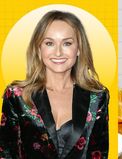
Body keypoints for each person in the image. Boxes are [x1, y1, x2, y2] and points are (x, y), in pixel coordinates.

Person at [0, 10, 109, 159]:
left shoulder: (97, 97)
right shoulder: (17, 96)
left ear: (78, 49)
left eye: (67, 43)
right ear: (39, 49)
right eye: (49, 43)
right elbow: (6, 153)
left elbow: (99, 154)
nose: (58, 52)